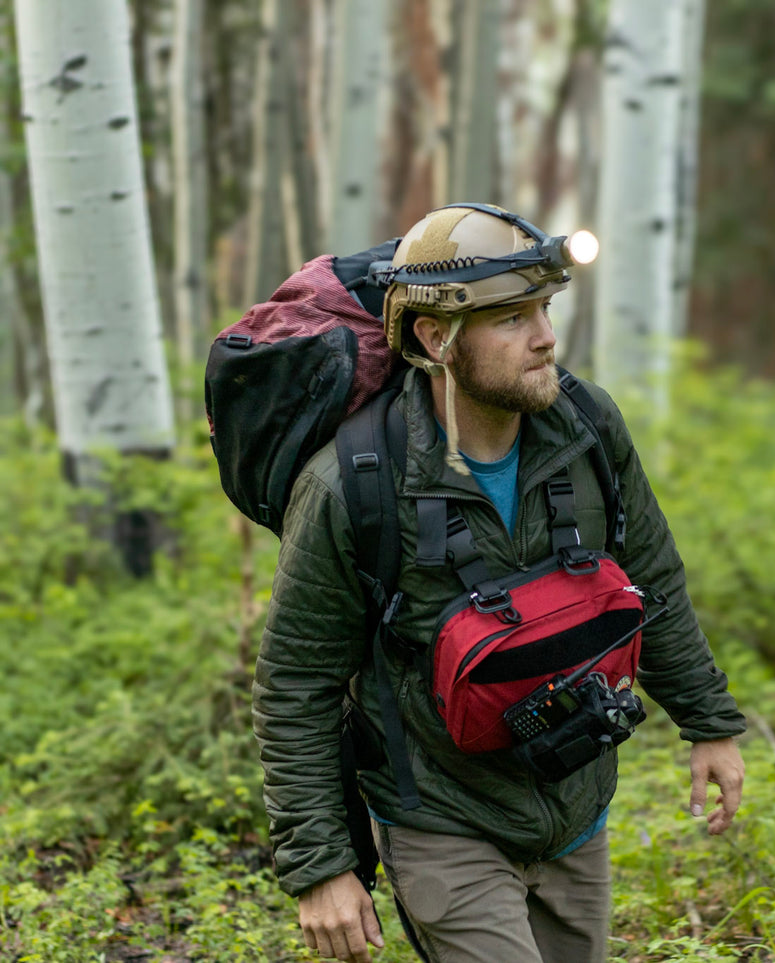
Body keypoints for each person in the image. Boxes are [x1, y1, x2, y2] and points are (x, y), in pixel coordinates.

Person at [251, 203, 747, 963]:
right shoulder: (353, 484)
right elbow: (296, 682)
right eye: (511, 317)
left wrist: (707, 721)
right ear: (435, 336)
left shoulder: (585, 426)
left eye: (543, 307)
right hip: (442, 818)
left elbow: (651, 576)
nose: (545, 336)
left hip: (579, 806)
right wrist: (322, 866)